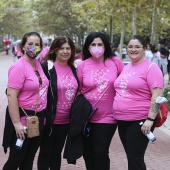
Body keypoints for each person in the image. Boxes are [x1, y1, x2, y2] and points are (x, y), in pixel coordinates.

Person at [113, 35, 164, 170]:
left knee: (135, 159)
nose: (133, 49)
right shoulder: (127, 67)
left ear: (145, 48)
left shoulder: (151, 68)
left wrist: (150, 119)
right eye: (130, 46)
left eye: (137, 47)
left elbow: (157, 96)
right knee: (132, 157)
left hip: (140, 121)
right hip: (122, 120)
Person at [77, 32, 124, 170]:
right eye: (93, 44)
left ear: (105, 46)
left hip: (108, 117)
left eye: (100, 44)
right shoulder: (82, 65)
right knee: (88, 152)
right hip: (86, 117)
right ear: (88, 46)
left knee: (100, 151)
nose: (96, 48)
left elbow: (125, 83)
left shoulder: (115, 62)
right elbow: (78, 89)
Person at [2, 31, 49, 170]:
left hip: (37, 119)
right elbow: (11, 96)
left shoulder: (37, 64)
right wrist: (16, 124)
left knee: (28, 159)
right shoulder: (19, 66)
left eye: (37, 44)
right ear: (22, 47)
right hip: (22, 121)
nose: (33, 47)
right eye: (30, 44)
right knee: (16, 159)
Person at [37, 36, 79, 170]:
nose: (65, 51)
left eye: (68, 48)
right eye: (61, 48)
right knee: (45, 153)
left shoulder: (74, 68)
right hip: (49, 120)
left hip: (66, 121)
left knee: (56, 153)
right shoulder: (47, 67)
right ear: (55, 50)